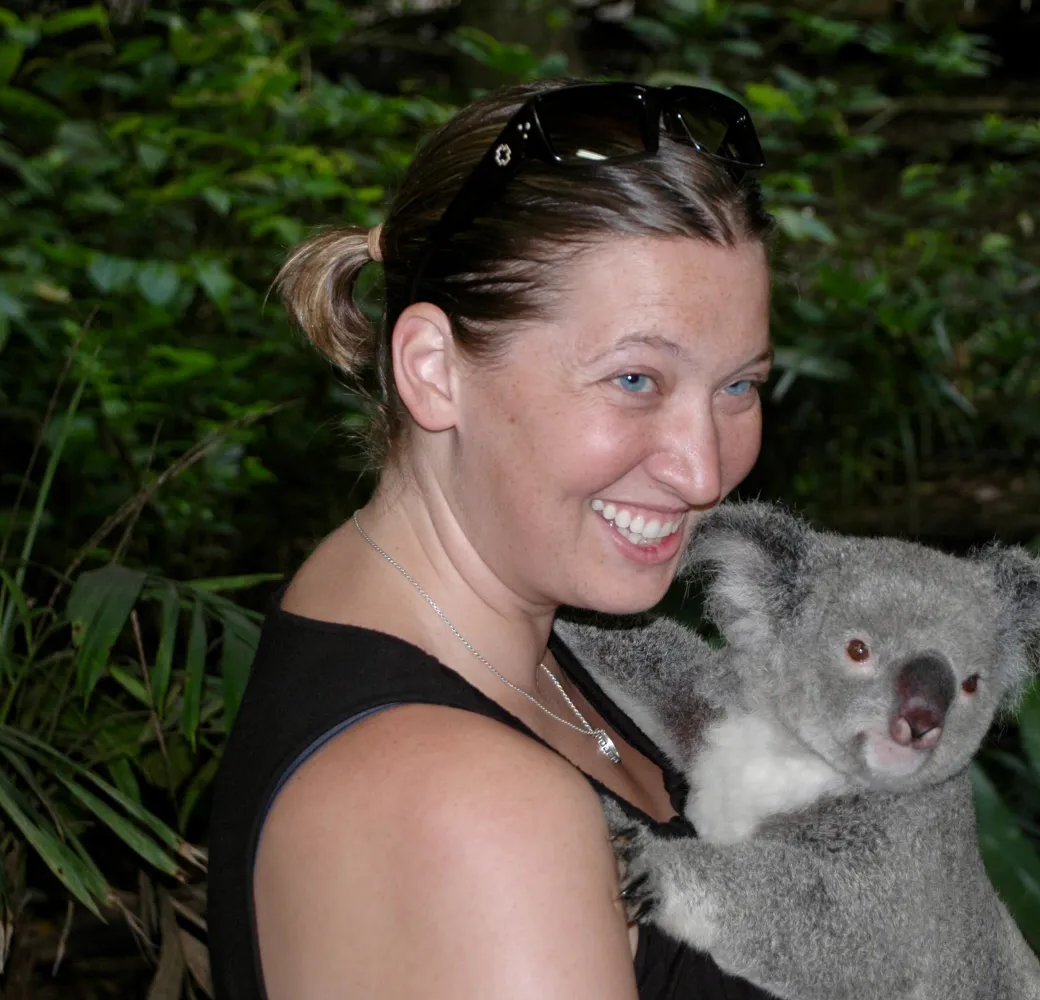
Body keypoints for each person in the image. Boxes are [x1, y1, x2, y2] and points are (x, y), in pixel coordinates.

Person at [206, 79, 781, 1000]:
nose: (705, 473)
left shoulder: (508, 629)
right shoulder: (472, 808)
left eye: (739, 386)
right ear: (434, 372)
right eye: (636, 379)